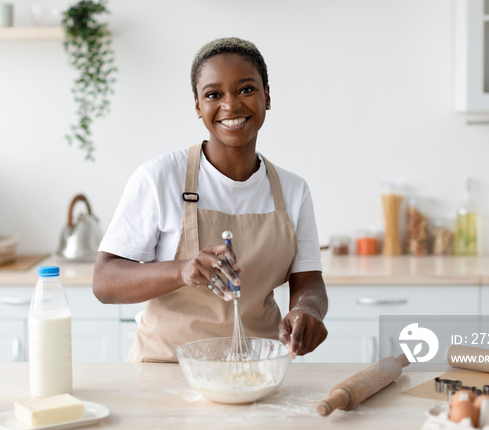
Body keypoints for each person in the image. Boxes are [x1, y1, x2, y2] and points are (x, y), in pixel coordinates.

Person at [93, 37, 328, 363]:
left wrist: (307, 310)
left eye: (246, 89)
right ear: (198, 106)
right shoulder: (160, 177)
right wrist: (183, 270)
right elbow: (105, 282)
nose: (231, 105)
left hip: (258, 369)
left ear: (267, 96)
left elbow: (309, 281)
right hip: (166, 369)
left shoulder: (293, 190)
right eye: (213, 95)